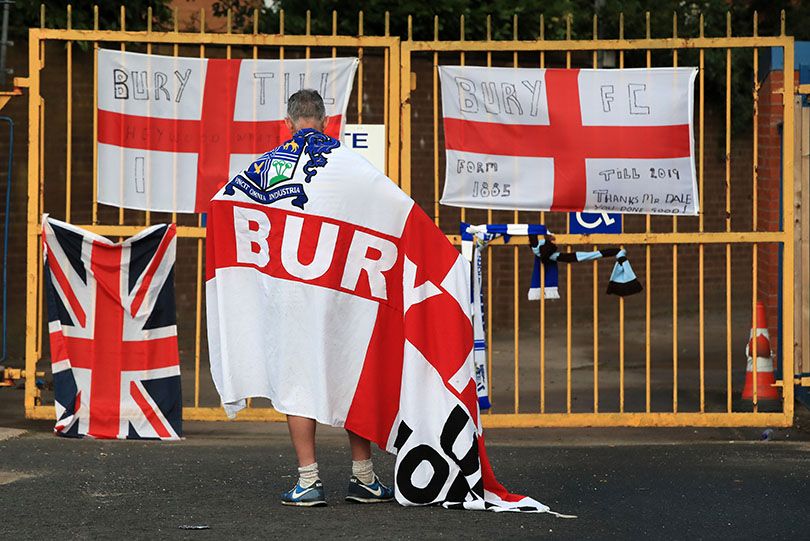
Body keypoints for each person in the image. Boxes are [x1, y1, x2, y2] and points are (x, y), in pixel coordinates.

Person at [271, 89, 394, 507]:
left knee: (298, 379)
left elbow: (229, 205)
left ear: (288, 124)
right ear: (326, 122)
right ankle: (363, 477)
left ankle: (308, 480)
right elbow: (391, 208)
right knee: (350, 375)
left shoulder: (269, 168)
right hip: (344, 287)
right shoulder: (350, 163)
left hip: (294, 288)